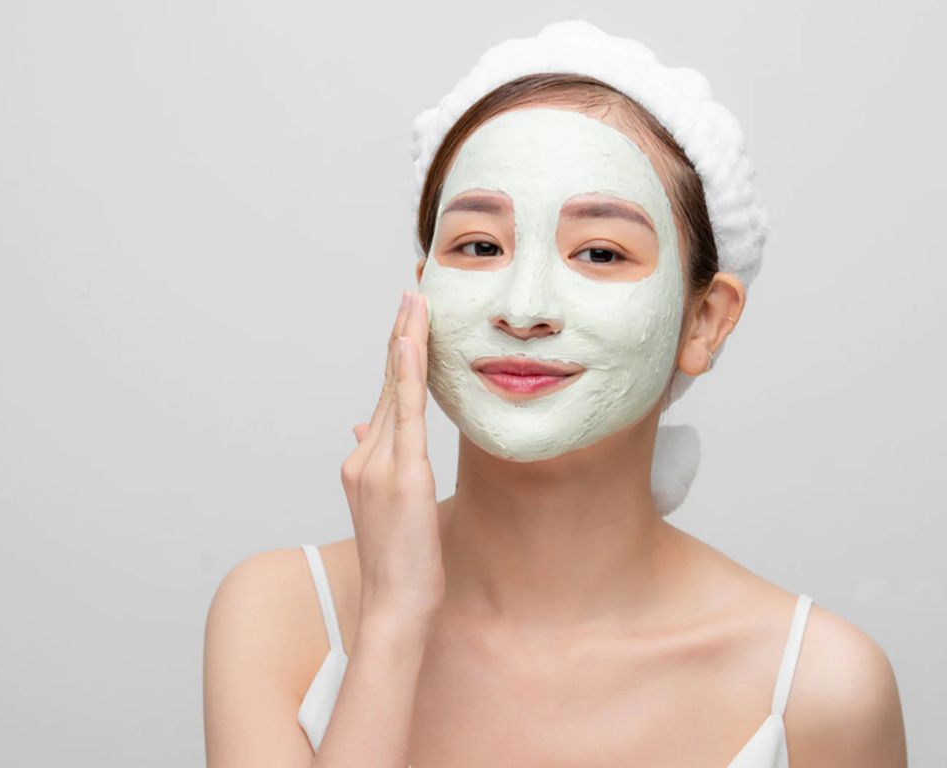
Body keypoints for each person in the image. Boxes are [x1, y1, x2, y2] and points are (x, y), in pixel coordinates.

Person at [203, 21, 907, 767]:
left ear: (703, 320)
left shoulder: (819, 689)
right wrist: (393, 622)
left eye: (600, 252)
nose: (524, 305)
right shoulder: (280, 617)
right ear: (423, 293)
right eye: (479, 246)